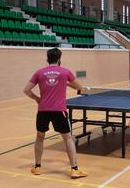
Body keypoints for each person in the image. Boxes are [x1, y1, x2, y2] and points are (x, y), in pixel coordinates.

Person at [23, 48, 88, 178]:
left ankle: (37, 167)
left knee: (40, 138)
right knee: (68, 138)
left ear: (47, 59)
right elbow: (79, 87)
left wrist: (37, 99)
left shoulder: (39, 73)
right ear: (59, 59)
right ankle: (74, 169)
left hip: (43, 111)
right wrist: (66, 83)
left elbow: (26, 90)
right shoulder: (65, 72)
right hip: (59, 111)